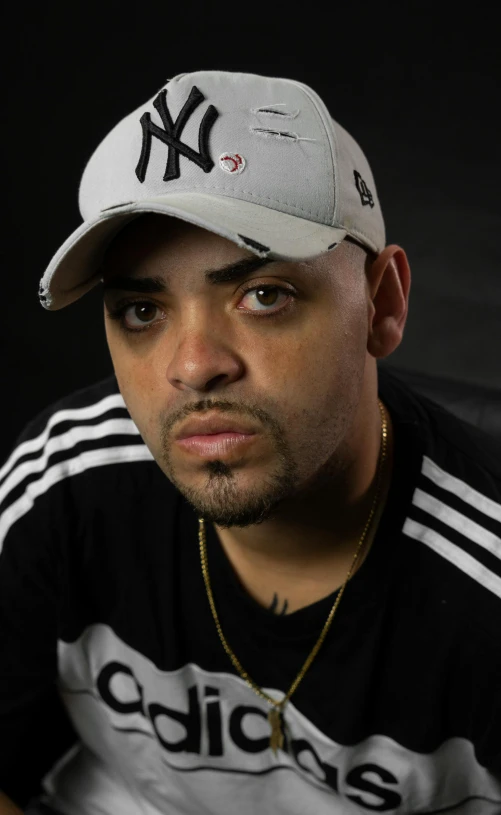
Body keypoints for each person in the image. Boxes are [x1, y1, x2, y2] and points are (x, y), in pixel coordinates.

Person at [1, 70, 500, 815]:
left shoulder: (483, 583)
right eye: (142, 309)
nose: (194, 365)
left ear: (382, 305)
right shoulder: (63, 479)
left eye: (263, 294)